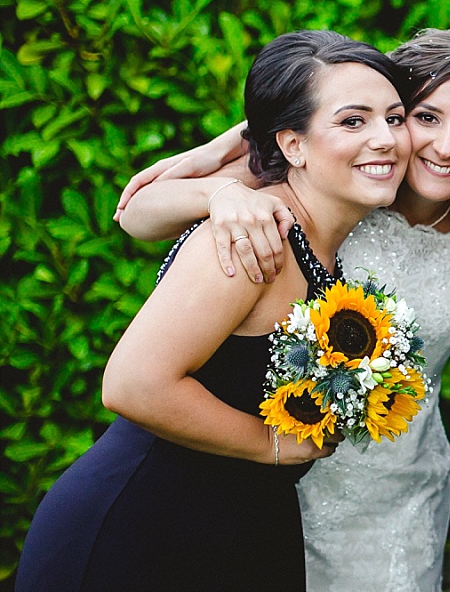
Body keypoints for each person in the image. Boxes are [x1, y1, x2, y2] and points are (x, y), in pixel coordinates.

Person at [15, 30, 412, 591]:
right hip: (139, 536)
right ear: (293, 145)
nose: (386, 139)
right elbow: (133, 385)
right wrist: (276, 445)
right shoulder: (252, 236)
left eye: (395, 119)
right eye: (353, 121)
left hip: (236, 529)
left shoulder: (318, 239)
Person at [114, 28, 450, 591]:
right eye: (425, 117)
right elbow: (136, 215)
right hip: (293, 474)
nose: (447, 146)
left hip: (409, 485)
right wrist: (219, 167)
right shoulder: (340, 180)